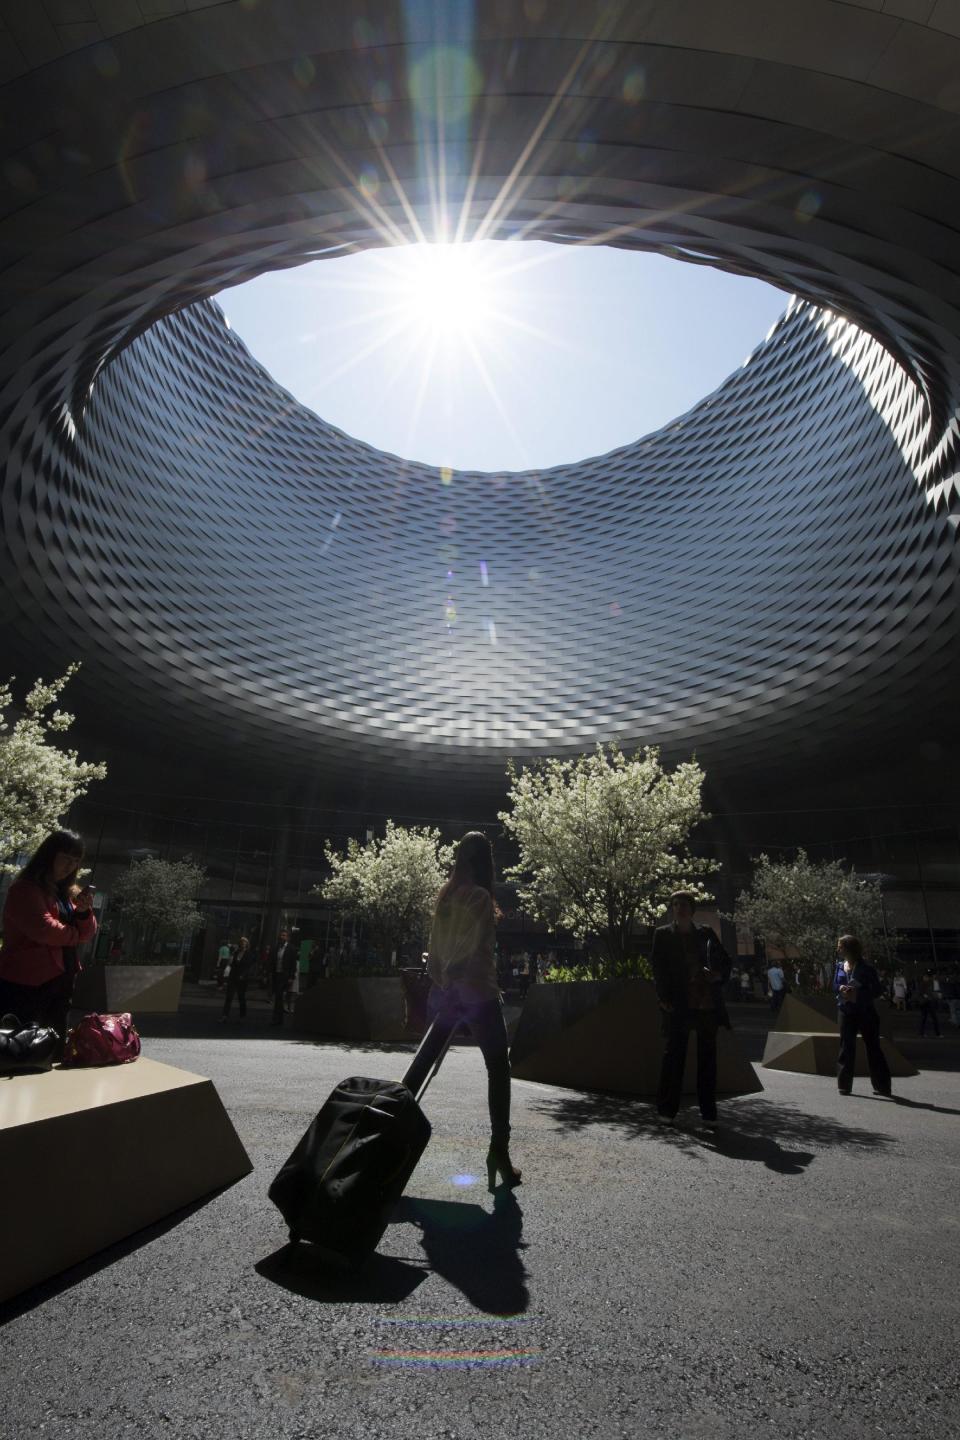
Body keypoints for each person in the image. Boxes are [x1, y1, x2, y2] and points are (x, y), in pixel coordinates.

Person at [416, 831, 520, 1191]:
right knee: (498, 1070)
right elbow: (470, 944)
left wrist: (441, 981)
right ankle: (499, 1152)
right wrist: (457, 974)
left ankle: (385, 1129)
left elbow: (433, 947)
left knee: (422, 1066)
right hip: (478, 993)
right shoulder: (478, 896)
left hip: (447, 994)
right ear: (486, 861)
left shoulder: (446, 895)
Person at [0, 829, 97, 1057]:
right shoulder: (26, 889)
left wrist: (83, 913)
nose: (70, 866)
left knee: (53, 1047)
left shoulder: (68, 893)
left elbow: (89, 931)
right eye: (65, 859)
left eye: (75, 861)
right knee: (19, 1047)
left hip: (61, 980)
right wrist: (75, 934)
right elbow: (44, 930)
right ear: (49, 855)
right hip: (27, 981)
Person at [651, 892, 732, 1130]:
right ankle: (667, 1109)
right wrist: (663, 998)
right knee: (674, 1056)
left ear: (692, 909)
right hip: (679, 1004)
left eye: (684, 904)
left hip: (706, 1003)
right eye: (675, 905)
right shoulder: (663, 934)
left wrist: (716, 975)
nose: (679, 908)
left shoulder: (705, 933)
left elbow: (725, 962)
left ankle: (708, 1112)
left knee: (708, 1060)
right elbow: (658, 968)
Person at [834, 935, 892, 1097]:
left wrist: (858, 992)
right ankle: (844, 1085)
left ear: (849, 948)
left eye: (840, 946)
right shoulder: (839, 966)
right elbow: (834, 986)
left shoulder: (866, 968)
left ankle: (882, 1086)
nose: (838, 949)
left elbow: (877, 990)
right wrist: (841, 989)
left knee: (873, 1048)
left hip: (865, 1011)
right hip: (846, 1011)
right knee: (846, 1047)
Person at [270, 928, 298, 1025]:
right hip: (276, 974)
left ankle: (277, 1018)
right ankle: (278, 1018)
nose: (282, 937)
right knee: (278, 996)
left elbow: (293, 965)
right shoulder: (276, 947)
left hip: (285, 976)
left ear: (288, 938)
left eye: (284, 935)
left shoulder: (291, 949)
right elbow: (272, 961)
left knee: (279, 995)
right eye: (281, 935)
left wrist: (291, 977)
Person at [222, 935, 252, 1020]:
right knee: (229, 997)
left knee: (241, 997)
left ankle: (242, 1015)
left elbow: (248, 966)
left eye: (244, 942)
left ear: (247, 944)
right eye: (241, 942)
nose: (242, 943)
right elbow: (231, 963)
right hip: (233, 976)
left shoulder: (249, 954)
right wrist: (232, 954)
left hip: (242, 978)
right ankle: (224, 1015)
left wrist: (243, 975)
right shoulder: (236, 952)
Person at [917, 972, 941, 1037]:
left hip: (927, 1002)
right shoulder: (924, 984)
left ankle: (937, 1033)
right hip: (925, 1003)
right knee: (926, 1018)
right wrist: (927, 996)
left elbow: (925, 993)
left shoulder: (929, 984)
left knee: (928, 1018)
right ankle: (936, 1033)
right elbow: (920, 993)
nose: (926, 978)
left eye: (926, 977)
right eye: (925, 977)